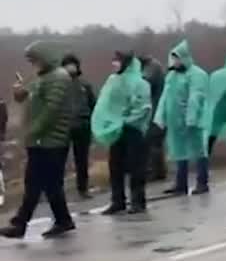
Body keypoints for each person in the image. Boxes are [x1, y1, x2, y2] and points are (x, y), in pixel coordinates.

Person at [1, 43, 76, 239]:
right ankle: (61, 220)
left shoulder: (58, 78)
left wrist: (32, 132)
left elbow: (51, 111)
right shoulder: (42, 78)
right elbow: (27, 96)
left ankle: (22, 223)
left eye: (35, 61)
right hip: (40, 141)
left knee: (41, 184)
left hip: (51, 141)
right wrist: (18, 92)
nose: (33, 65)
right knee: (44, 184)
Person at [91, 50, 153, 214]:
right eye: (114, 60)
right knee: (115, 166)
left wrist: (127, 119)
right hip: (116, 129)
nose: (114, 64)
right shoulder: (113, 81)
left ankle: (138, 201)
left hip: (134, 129)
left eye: (117, 61)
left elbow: (144, 108)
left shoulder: (140, 83)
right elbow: (105, 103)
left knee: (136, 167)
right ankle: (118, 200)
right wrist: (108, 122)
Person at [154, 40, 211, 195]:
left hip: (193, 120)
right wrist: (160, 117)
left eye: (178, 58)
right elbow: (165, 97)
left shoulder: (197, 74)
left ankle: (202, 182)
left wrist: (191, 118)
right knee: (178, 151)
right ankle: (180, 184)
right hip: (175, 121)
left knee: (199, 150)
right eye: (173, 59)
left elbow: (196, 97)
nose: (175, 62)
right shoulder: (171, 76)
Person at [59, 54, 96, 200]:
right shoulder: (59, 85)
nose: (70, 67)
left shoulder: (85, 84)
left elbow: (93, 104)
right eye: (67, 64)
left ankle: (83, 189)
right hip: (64, 127)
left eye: (73, 64)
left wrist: (93, 122)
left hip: (83, 126)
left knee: (82, 160)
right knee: (59, 160)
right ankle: (57, 191)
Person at [138, 54, 168, 182]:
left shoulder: (152, 67)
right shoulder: (155, 66)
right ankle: (158, 170)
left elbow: (147, 82)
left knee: (153, 141)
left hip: (156, 110)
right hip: (157, 109)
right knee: (156, 142)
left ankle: (155, 171)